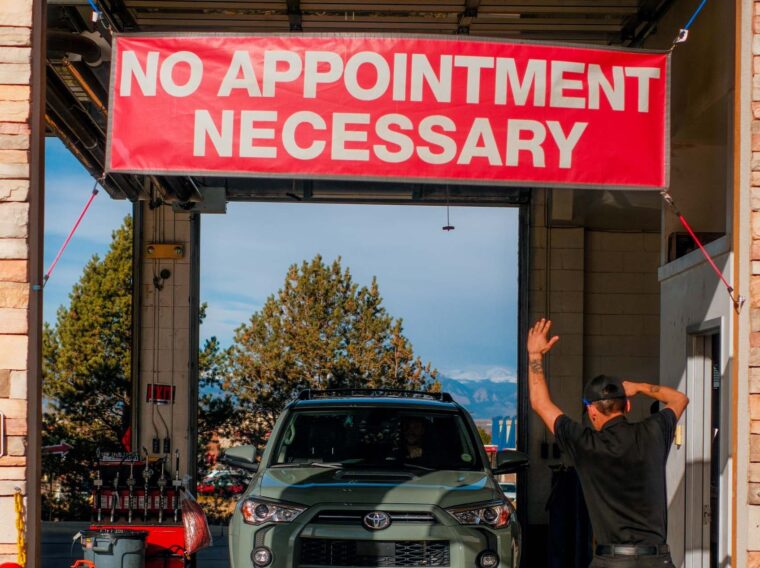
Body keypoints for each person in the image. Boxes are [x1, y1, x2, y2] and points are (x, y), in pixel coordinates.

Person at [527, 318, 688, 568]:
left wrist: (535, 355)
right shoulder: (653, 432)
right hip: (657, 560)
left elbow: (540, 403)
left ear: (592, 412)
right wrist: (638, 386)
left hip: (611, 561)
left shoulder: (585, 444)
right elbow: (679, 399)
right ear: (628, 405)